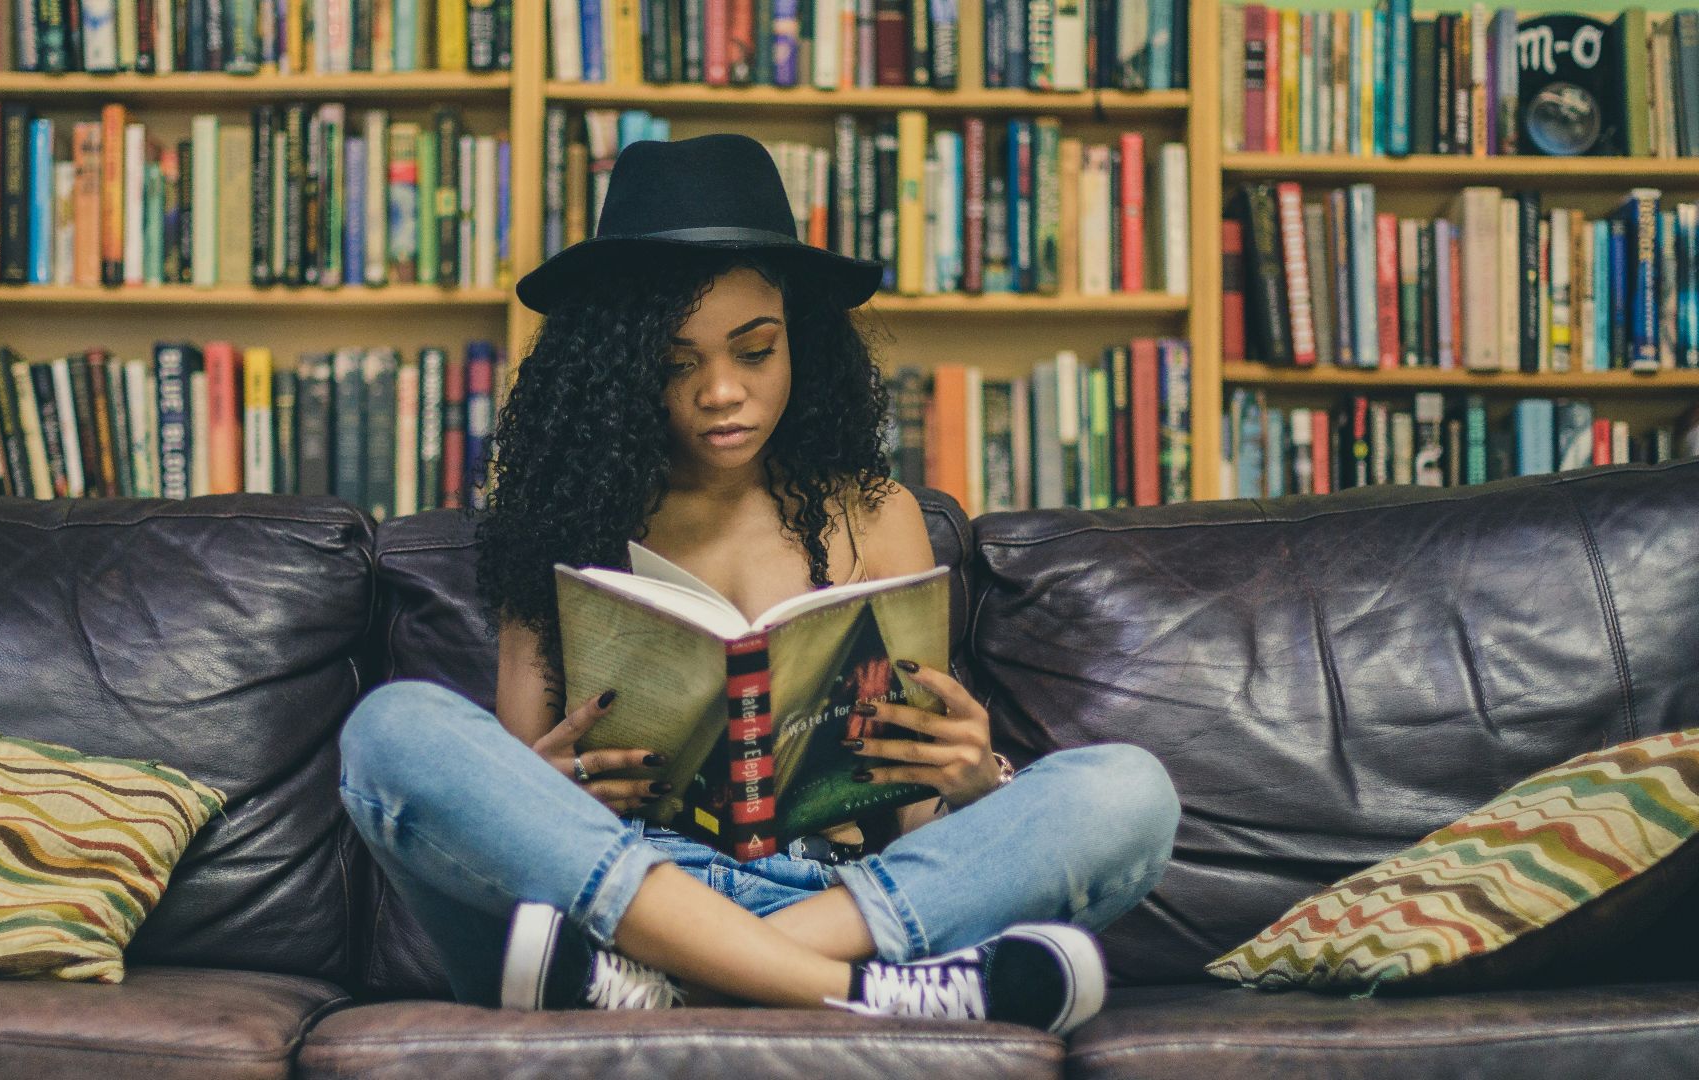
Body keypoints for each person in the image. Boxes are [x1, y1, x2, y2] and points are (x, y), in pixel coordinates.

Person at [337, 133, 1181, 1034]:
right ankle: (861, 995)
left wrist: (976, 780)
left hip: (838, 895)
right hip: (617, 895)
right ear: (619, 370)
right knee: (391, 732)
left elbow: (916, 826)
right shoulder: (556, 523)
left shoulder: (878, 515)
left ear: (801, 346)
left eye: (754, 350)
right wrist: (544, 785)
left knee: (1131, 792)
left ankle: (693, 983)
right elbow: (515, 815)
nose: (721, 392)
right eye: (675, 362)